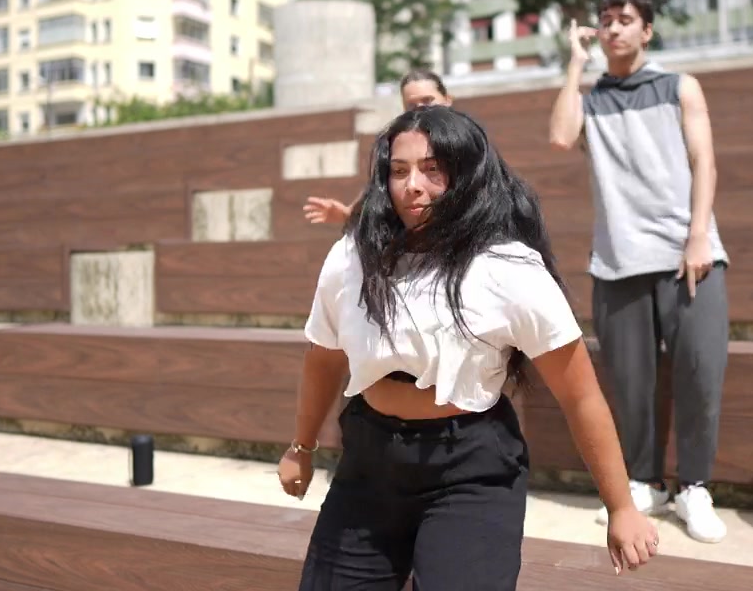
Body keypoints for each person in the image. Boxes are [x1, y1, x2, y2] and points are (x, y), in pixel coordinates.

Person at [278, 104, 660, 589]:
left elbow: (580, 395)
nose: (412, 185)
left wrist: (621, 507)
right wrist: (302, 447)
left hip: (469, 468)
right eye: (399, 171)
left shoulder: (508, 268)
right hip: (369, 460)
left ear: (466, 174)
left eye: (432, 169)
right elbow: (324, 359)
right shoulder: (352, 257)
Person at [548, 0, 730, 544]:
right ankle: (645, 482)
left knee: (700, 374)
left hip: (688, 255)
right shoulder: (591, 98)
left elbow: (704, 159)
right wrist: (575, 63)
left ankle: (694, 487)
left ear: (646, 30)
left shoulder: (679, 86)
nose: (613, 28)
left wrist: (697, 237)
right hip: (618, 260)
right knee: (630, 384)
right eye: (605, 20)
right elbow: (560, 136)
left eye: (624, 19)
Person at [303, 70, 454, 226]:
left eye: (427, 100)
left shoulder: (466, 140)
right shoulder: (396, 143)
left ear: (447, 100)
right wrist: (348, 214)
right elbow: (377, 185)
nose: (420, 108)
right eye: (411, 105)